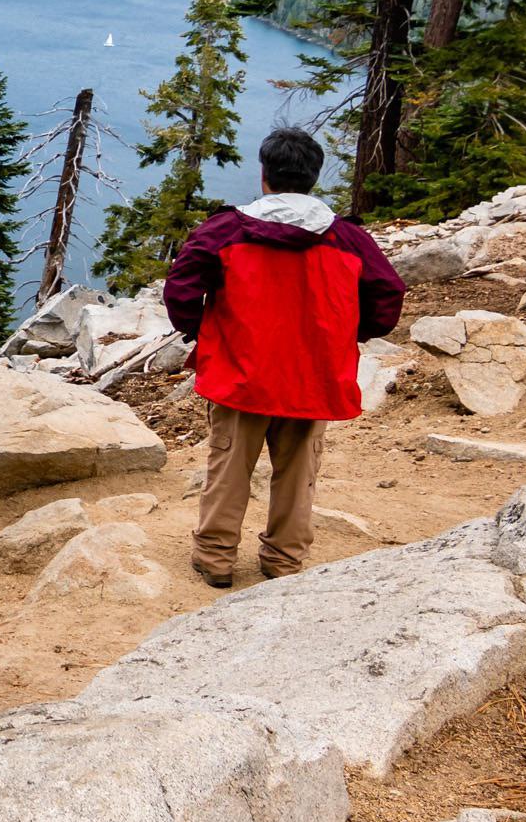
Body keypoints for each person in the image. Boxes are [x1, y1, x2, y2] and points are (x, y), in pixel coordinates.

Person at [162, 125, 404, 587]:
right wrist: (351, 333)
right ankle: (284, 561)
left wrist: (202, 332)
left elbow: (181, 287)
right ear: (312, 177)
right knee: (298, 473)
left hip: (241, 371)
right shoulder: (346, 239)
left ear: (264, 174)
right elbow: (387, 292)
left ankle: (215, 558)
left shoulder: (228, 230)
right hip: (314, 373)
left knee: (229, 466)